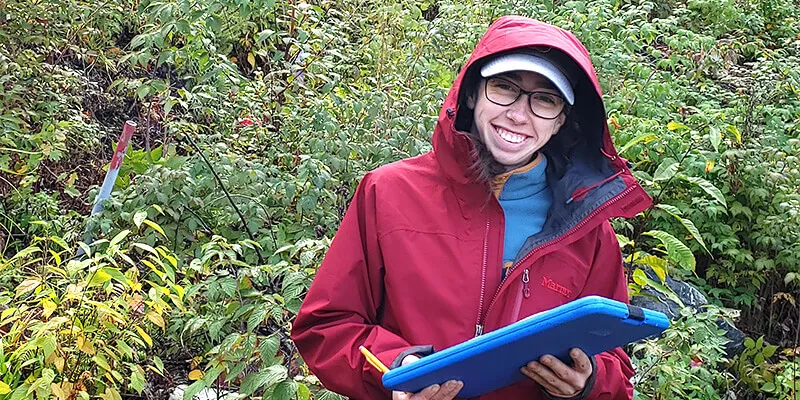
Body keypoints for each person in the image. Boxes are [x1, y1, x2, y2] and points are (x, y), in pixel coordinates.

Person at [291, 15, 652, 400]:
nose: (518, 113)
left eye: (544, 99)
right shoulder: (389, 193)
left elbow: (614, 363)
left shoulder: (585, 228)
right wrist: (394, 369)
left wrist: (589, 381)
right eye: (504, 87)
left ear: (562, 120)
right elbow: (326, 326)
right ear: (470, 93)